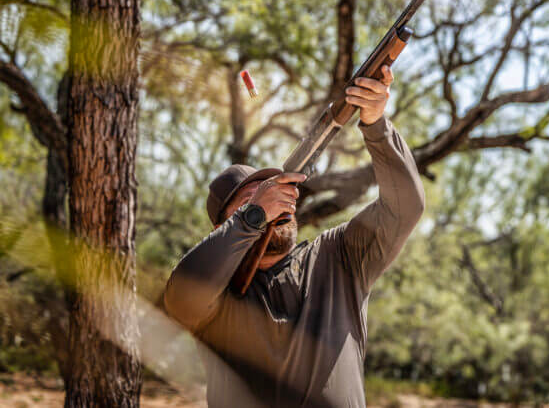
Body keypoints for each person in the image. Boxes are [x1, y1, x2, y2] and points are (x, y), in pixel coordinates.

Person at [163, 65, 424, 408]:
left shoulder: (339, 255)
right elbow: (180, 300)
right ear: (223, 227)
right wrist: (254, 217)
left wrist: (375, 123)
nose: (277, 203)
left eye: (278, 193)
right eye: (252, 201)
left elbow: (406, 207)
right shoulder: (217, 290)